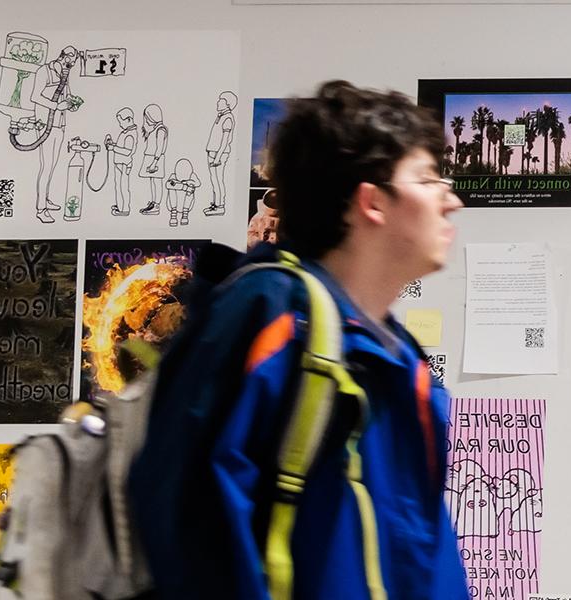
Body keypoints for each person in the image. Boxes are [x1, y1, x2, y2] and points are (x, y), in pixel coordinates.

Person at [131, 80, 467, 599]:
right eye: (427, 179)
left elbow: (418, 548)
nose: (452, 202)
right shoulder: (267, 316)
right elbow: (190, 527)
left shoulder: (398, 356)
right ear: (372, 202)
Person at [30, 45, 80, 223]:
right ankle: (40, 208)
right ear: (65, 56)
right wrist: (56, 106)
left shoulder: (65, 74)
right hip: (45, 123)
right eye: (72, 59)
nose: (73, 63)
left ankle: (46, 198)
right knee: (46, 165)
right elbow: (35, 96)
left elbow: (67, 95)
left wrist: (72, 103)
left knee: (52, 165)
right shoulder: (45, 71)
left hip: (59, 124)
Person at [204, 91, 237, 216]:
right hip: (213, 152)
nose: (218, 102)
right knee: (214, 179)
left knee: (218, 180)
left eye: (221, 100)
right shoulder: (221, 116)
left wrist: (218, 157)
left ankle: (220, 206)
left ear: (227, 104)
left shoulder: (228, 118)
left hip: (219, 154)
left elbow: (225, 140)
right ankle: (215, 204)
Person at [137, 104, 168, 215]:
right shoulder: (156, 129)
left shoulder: (161, 130)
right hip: (151, 158)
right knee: (153, 181)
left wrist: (154, 162)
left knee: (157, 181)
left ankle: (157, 205)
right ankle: (154, 203)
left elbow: (160, 148)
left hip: (155, 159)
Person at [106, 107, 138, 216]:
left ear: (128, 120)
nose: (120, 125)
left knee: (123, 186)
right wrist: (113, 144)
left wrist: (113, 148)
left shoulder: (130, 134)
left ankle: (124, 209)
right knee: (118, 185)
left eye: (121, 122)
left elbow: (127, 151)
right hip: (119, 163)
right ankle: (120, 205)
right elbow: (121, 147)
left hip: (124, 164)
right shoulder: (125, 132)